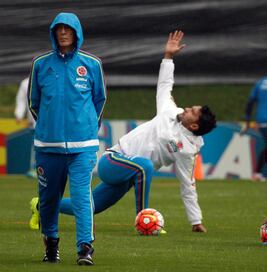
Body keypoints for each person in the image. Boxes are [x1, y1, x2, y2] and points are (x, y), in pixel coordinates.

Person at [55, 30, 216, 233]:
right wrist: (168, 57)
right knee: (145, 165)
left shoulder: (187, 150)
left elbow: (188, 185)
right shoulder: (169, 111)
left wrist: (196, 221)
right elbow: (165, 84)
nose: (187, 108)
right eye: (191, 107)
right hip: (113, 160)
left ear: (194, 126)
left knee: (90, 207)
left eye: (193, 111)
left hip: (130, 175)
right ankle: (144, 220)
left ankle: (41, 205)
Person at [27, 12, 106, 265]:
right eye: (59, 29)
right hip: (47, 146)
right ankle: (51, 245)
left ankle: (85, 248)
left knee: (82, 195)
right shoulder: (40, 64)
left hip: (83, 145)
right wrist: (50, 126)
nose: (63, 33)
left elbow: (99, 99)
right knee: (49, 199)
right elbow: (34, 102)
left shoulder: (92, 64)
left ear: (76, 33)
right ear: (53, 32)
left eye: (68, 29)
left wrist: (88, 127)